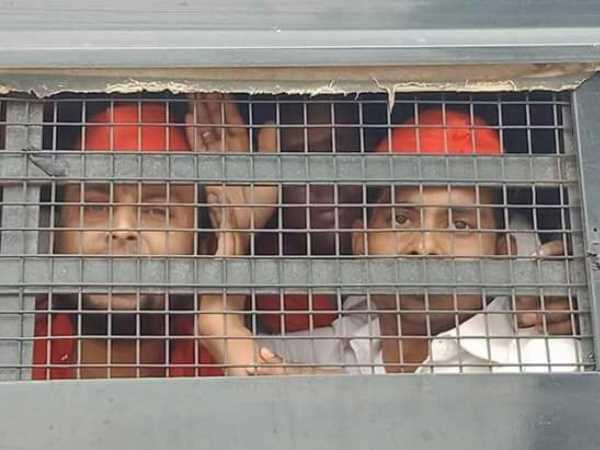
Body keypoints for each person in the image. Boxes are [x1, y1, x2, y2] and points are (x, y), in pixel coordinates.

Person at [252, 108, 580, 375]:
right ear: (361, 243)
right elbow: (233, 356)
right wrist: (237, 229)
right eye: (400, 219)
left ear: (503, 254)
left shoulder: (542, 360)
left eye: (459, 225)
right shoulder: (342, 349)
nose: (424, 246)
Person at [33, 101, 222, 379]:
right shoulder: (12, 360)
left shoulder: (225, 366)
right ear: (55, 235)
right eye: (94, 206)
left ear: (204, 247)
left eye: (157, 211)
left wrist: (226, 328)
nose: (122, 230)